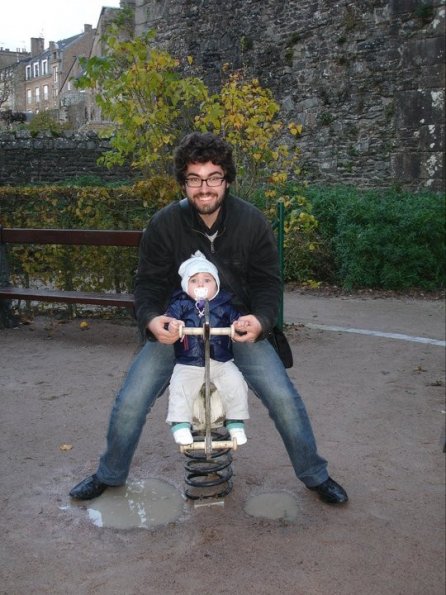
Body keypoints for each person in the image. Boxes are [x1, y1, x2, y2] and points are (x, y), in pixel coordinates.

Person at [70, 131, 348, 505]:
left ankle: (315, 474)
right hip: (179, 329)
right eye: (194, 179)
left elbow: (268, 283)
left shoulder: (252, 222)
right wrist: (152, 321)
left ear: (227, 179)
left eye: (213, 177)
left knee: (283, 396)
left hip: (236, 328)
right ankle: (110, 473)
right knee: (132, 398)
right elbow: (148, 285)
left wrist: (260, 321)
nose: (204, 188)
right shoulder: (164, 224)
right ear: (183, 182)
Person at [165, 250, 249, 446]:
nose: (201, 284)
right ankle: (180, 423)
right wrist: (173, 325)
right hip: (189, 361)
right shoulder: (181, 304)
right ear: (186, 285)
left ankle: (236, 421)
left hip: (221, 359)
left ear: (216, 284)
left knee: (236, 382)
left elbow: (237, 321)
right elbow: (169, 319)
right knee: (180, 386)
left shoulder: (225, 305)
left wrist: (239, 325)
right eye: (194, 280)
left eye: (207, 280)